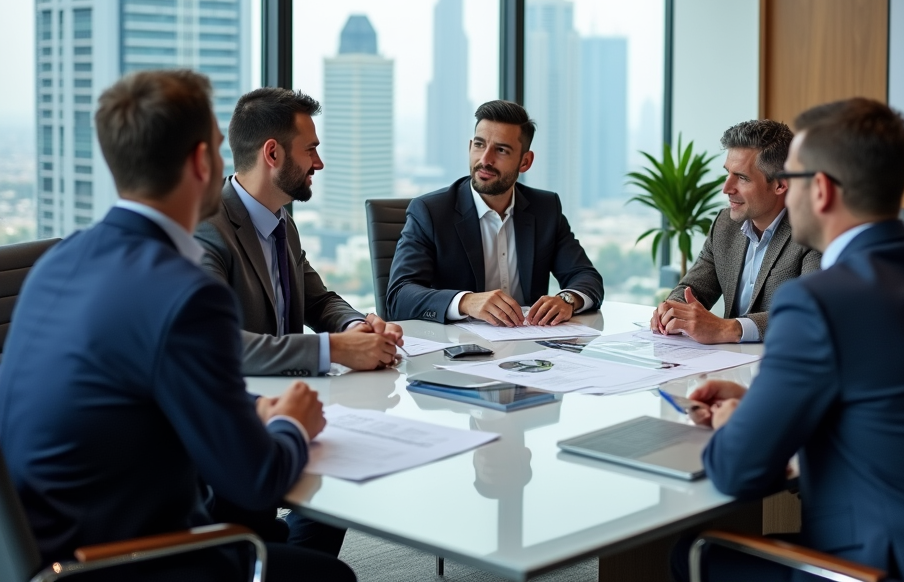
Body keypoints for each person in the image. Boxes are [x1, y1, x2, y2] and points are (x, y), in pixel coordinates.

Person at [0, 70, 354, 582]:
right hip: (130, 561)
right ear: (200, 163)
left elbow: (133, 392)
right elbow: (257, 479)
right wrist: (293, 421)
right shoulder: (185, 290)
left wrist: (255, 408)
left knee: (291, 545)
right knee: (331, 578)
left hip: (46, 554)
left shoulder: (60, 258)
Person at [676, 98, 904, 582]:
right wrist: (760, 402)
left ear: (820, 190)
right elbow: (892, 403)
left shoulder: (818, 301)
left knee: (691, 553)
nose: (785, 195)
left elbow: (737, 471)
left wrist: (737, 421)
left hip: (870, 566)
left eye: (790, 179)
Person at [196, 87, 404, 378]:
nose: (318, 163)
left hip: (291, 395)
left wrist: (355, 327)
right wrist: (335, 349)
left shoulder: (280, 220)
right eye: (310, 150)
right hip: (238, 407)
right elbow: (216, 342)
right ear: (272, 153)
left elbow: (317, 300)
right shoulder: (206, 226)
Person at [387, 100, 603, 326]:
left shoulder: (545, 208)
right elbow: (399, 297)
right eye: (479, 145)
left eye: (501, 150)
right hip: (457, 350)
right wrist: (466, 302)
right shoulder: (430, 212)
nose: (485, 160)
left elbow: (586, 277)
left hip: (529, 348)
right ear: (470, 147)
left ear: (525, 161)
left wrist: (567, 299)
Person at [651, 119, 820, 344]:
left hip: (787, 364)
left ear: (780, 184)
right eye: (727, 173)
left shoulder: (814, 231)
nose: (726, 188)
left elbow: (810, 313)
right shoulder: (724, 225)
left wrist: (728, 328)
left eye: (741, 177)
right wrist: (672, 310)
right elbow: (693, 289)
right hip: (730, 366)